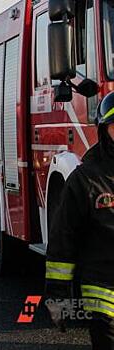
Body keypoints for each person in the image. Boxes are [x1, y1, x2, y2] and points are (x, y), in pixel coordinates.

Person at [45, 91, 114, 349]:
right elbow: (64, 239)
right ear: (103, 131)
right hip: (104, 293)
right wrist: (58, 297)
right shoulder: (85, 179)